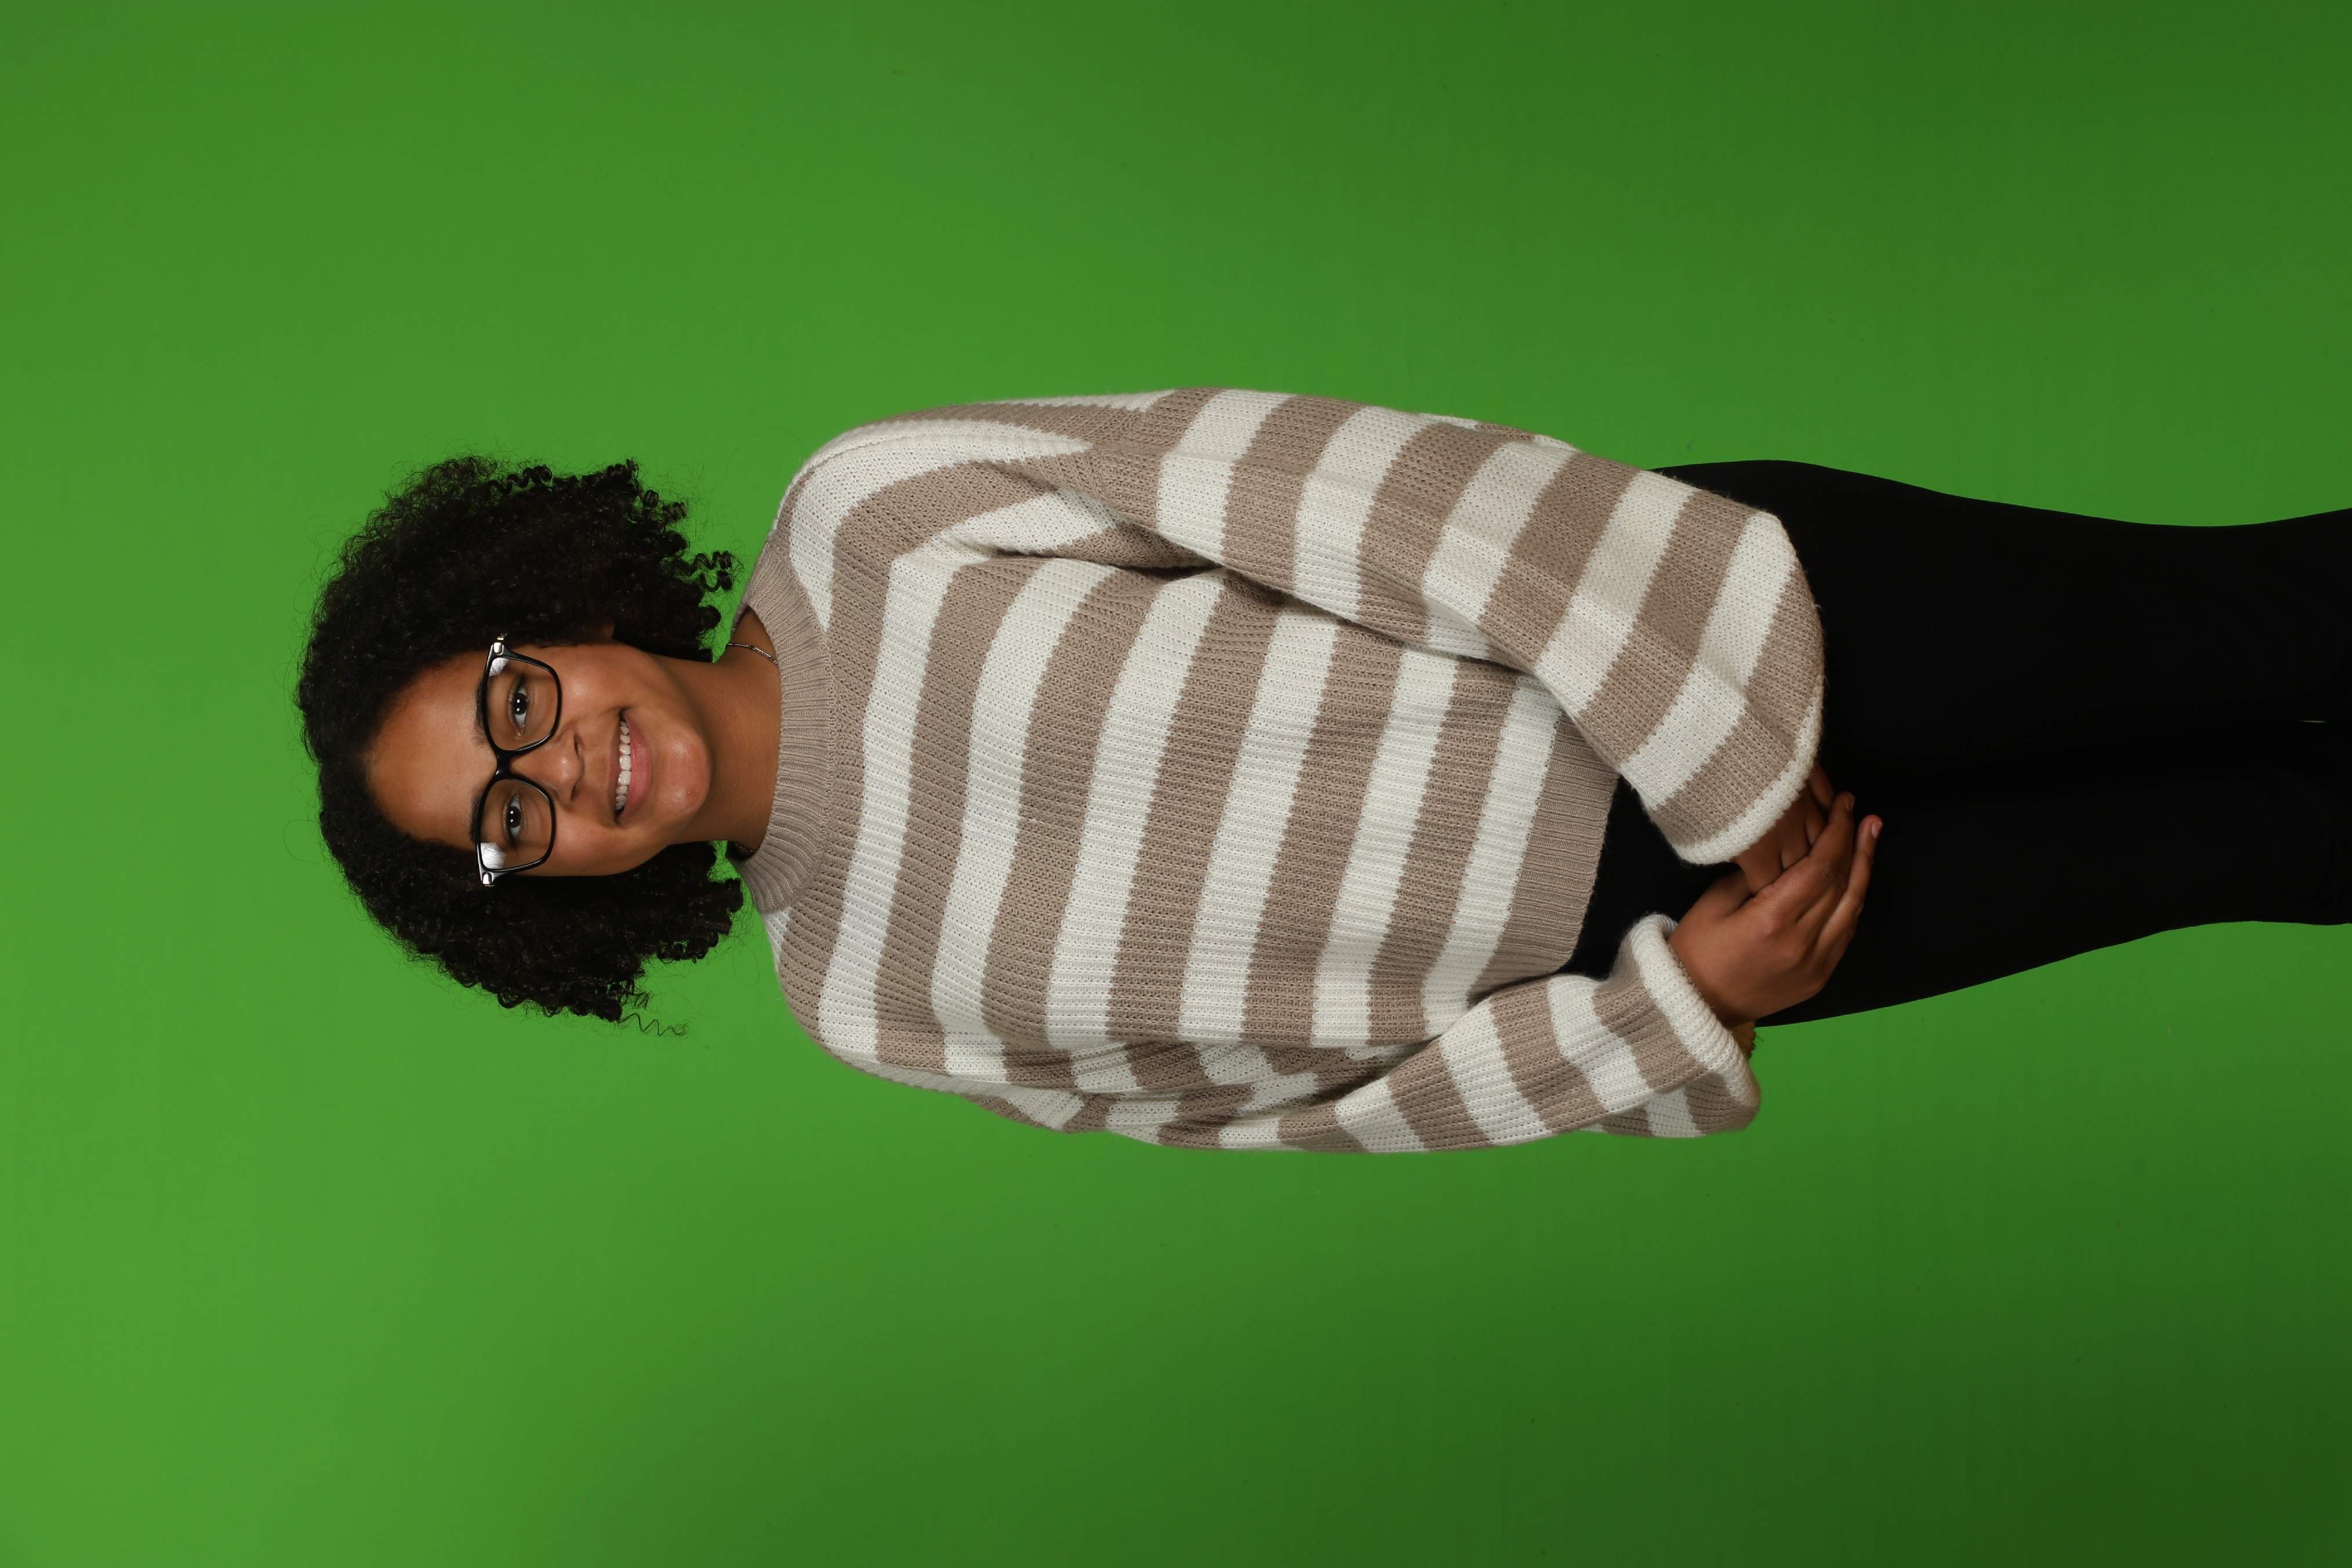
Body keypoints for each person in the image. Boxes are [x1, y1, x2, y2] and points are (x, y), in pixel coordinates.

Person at [302, 389, 2352, 1152]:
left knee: (2280, 624)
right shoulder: (857, 997)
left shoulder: (875, 513)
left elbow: (1337, 490)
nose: (562, 773)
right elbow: (1289, 1113)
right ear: (545, 896)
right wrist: (1663, 1020)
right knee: (2262, 840)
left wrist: (1713, 763)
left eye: (512, 704)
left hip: (1692, 623)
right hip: (1700, 932)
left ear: (545, 614)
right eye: (507, 825)